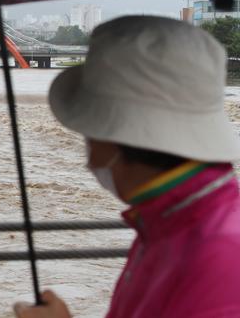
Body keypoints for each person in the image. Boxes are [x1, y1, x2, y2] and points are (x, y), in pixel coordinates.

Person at [14, 16, 240, 318]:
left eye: (87, 131)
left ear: (112, 136)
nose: (90, 158)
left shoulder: (218, 256)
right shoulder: (168, 222)